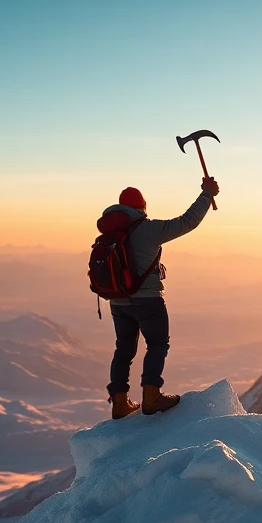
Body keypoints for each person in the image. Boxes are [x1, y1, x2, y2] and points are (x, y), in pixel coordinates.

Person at [101, 176, 220, 419]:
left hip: (117, 300)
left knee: (123, 348)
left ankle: (120, 403)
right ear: (142, 207)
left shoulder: (110, 231)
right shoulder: (148, 228)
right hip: (148, 301)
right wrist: (206, 195)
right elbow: (188, 221)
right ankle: (152, 397)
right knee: (156, 344)